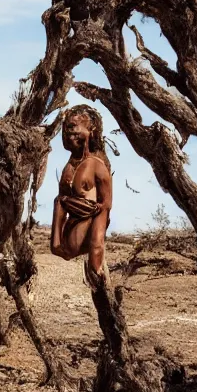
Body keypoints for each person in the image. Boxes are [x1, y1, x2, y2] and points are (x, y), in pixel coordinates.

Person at [49, 105, 114, 287]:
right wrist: (56, 245)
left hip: (85, 244)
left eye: (74, 127)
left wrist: (95, 254)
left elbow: (104, 208)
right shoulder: (69, 167)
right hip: (66, 244)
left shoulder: (96, 165)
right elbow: (61, 203)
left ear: (91, 129)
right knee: (60, 200)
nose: (69, 133)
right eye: (67, 128)